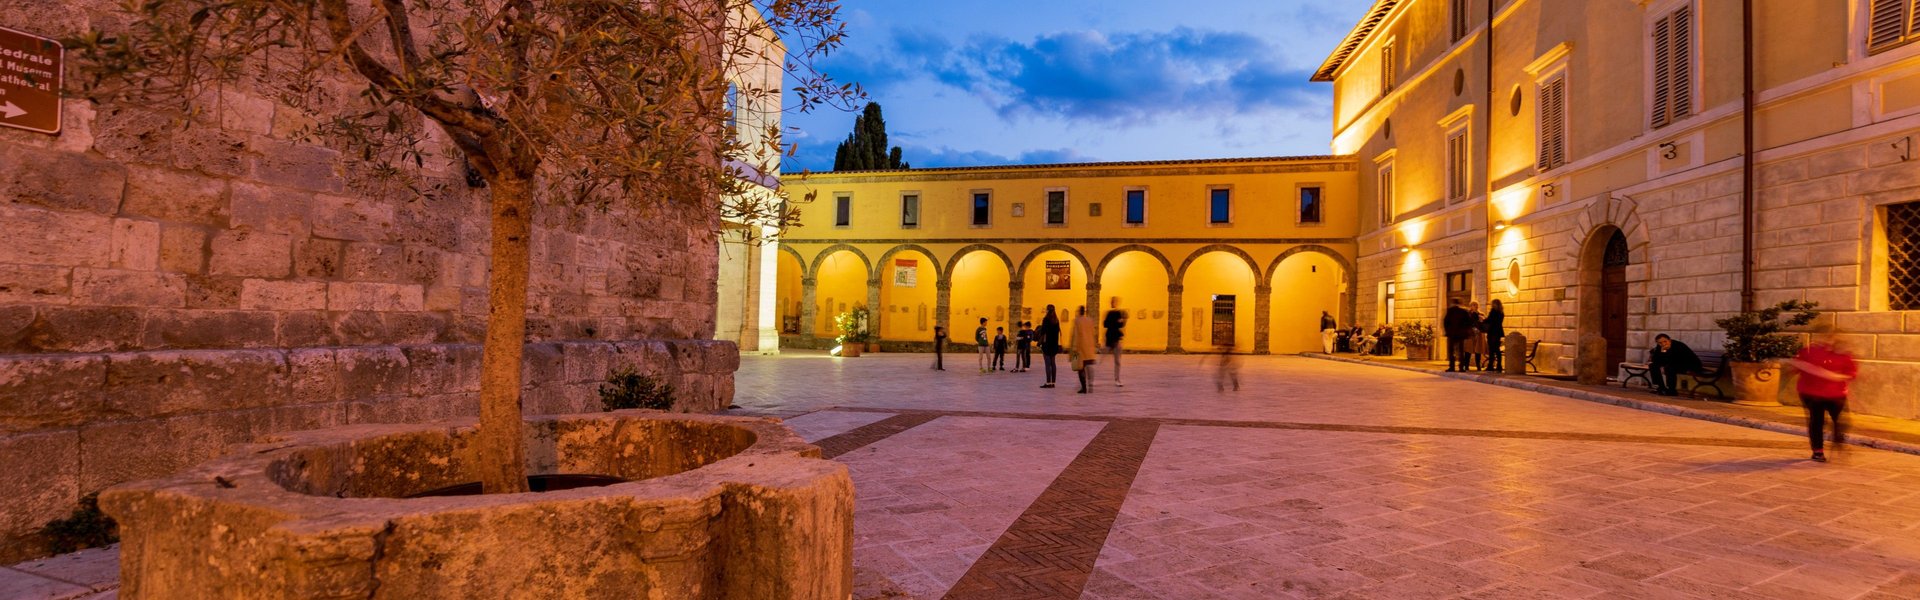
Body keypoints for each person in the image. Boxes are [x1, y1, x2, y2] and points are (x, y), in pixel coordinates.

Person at [1791, 336, 1858, 463]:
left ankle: (1838, 440)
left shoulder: (1843, 354)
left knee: (1842, 422)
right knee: (1817, 421)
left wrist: (1840, 376)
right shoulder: (1809, 352)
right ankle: (1818, 451)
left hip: (1837, 394)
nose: (1828, 340)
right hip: (1812, 394)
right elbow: (1796, 368)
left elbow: (1852, 372)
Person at [1071, 305, 1100, 393]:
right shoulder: (1090, 320)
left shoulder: (1077, 321)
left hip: (1080, 348)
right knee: (1089, 366)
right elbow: (1093, 333)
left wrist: (1074, 348)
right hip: (1089, 347)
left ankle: (1084, 388)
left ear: (1079, 312)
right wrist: (1094, 345)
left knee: (1080, 368)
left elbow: (1075, 335)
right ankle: (1090, 383)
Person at [1442, 298, 1474, 372]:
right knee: (1461, 350)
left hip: (1452, 334)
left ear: (1453, 303)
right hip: (1461, 334)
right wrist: (1464, 330)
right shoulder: (1463, 311)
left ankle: (1452, 367)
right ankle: (1461, 367)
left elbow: (1446, 322)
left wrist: (1447, 331)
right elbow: (1469, 322)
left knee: (1451, 350)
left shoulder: (1450, 311)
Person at [1103, 298, 1128, 387]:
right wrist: (1116, 322)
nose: (1114, 303)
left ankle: (1117, 379)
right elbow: (1105, 324)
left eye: (1115, 302)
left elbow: (1121, 325)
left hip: (1116, 339)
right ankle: (1093, 379)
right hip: (1109, 338)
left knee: (1117, 361)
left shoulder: (1119, 313)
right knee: (1102, 360)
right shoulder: (1109, 313)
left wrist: (1124, 320)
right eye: (1113, 302)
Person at [1038, 306, 1062, 388]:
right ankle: (1053, 382)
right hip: (1054, 344)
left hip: (1047, 344)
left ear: (1047, 310)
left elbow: (1043, 332)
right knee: (1053, 363)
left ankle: (1048, 382)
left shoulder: (1046, 320)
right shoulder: (1056, 320)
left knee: (1047, 364)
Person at [1483, 299, 1507, 371]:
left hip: (1492, 332)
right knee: (1497, 350)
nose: (1491, 305)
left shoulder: (1493, 311)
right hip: (1498, 332)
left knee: (1492, 350)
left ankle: (1490, 366)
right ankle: (1499, 366)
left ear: (1494, 304)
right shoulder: (1501, 312)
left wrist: (1483, 320)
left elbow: (1489, 320)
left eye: (1492, 304)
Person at [1464, 301, 1487, 371]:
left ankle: (1478, 366)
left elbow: (1484, 323)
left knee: (1478, 350)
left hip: (1479, 334)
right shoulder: (1468, 314)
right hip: (1470, 334)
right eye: (1474, 305)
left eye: (1476, 305)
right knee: (1468, 350)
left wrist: (1482, 320)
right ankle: (1466, 365)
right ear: (1470, 306)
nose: (1475, 306)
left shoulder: (1481, 314)